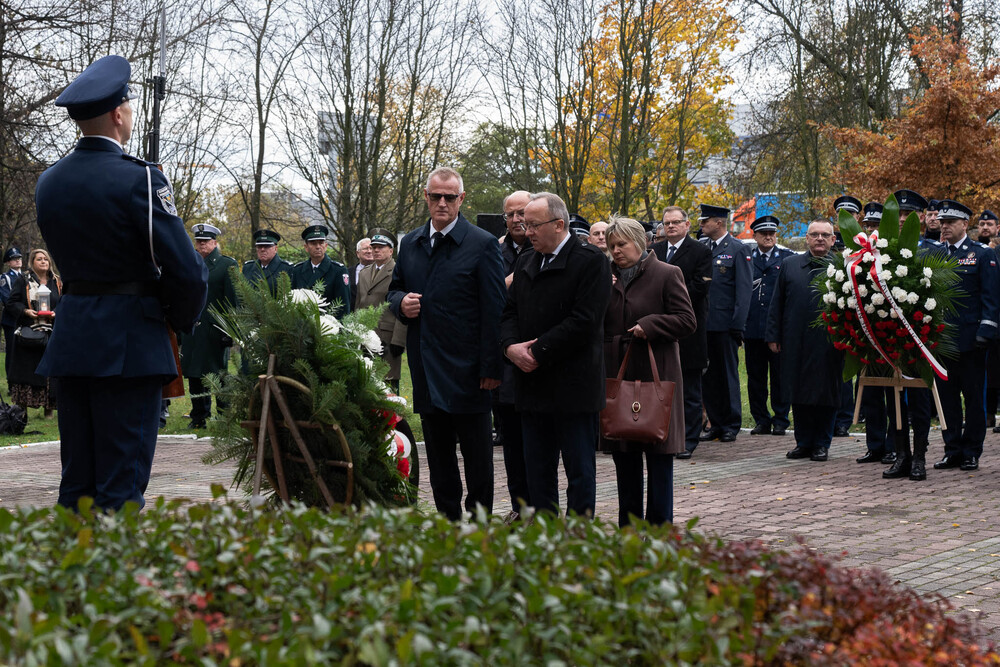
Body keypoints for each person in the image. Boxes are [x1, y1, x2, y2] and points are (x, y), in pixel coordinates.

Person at [34, 54, 208, 511]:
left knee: (77, 488)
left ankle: (72, 581)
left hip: (73, 342)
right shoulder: (141, 180)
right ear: (117, 113)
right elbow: (187, 271)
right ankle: (116, 582)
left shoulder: (48, 183)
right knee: (120, 489)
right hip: (130, 346)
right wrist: (173, 319)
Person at [387, 166, 505, 521]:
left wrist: (490, 367)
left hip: (470, 370)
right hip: (427, 367)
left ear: (461, 199)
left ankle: (480, 518)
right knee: (438, 452)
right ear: (425, 196)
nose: (442, 203)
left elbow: (495, 310)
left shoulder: (483, 244)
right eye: (435, 196)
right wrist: (400, 302)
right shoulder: (410, 243)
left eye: (449, 197)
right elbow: (395, 288)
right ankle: (448, 518)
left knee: (477, 454)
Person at [501, 192, 611, 518]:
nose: (527, 230)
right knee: (538, 470)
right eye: (523, 224)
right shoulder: (525, 261)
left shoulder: (591, 261)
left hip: (574, 386)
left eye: (533, 224)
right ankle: (544, 535)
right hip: (532, 385)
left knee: (579, 470)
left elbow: (585, 321)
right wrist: (510, 348)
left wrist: (536, 350)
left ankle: (578, 539)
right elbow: (508, 313)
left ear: (559, 224)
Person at [601, 217, 695, 526]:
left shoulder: (667, 273)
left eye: (622, 244)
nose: (616, 251)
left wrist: (651, 325)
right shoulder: (605, 277)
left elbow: (686, 320)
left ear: (640, 243)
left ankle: (658, 529)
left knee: (658, 458)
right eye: (612, 245)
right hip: (618, 374)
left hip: (657, 376)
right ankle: (629, 528)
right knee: (624, 455)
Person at [766, 220, 843, 462]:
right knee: (797, 392)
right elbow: (776, 303)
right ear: (806, 238)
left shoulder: (842, 267)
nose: (820, 238)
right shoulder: (790, 265)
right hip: (794, 339)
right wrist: (773, 336)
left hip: (829, 341)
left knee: (826, 393)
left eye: (825, 235)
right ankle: (803, 442)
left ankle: (822, 443)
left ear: (833, 240)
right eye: (814, 234)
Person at [932, 199, 1000, 474]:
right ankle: (952, 450)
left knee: (973, 398)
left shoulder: (982, 254)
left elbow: (991, 297)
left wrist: (986, 332)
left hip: (972, 340)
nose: (944, 226)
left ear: (964, 225)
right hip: (942, 341)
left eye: (950, 222)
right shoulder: (935, 254)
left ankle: (971, 451)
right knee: (947, 399)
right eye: (942, 222)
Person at [882, 189, 937, 480]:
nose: (902, 219)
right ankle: (901, 454)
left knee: (918, 400)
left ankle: (919, 458)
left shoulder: (932, 249)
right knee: (893, 399)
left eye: (909, 215)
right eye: (899, 214)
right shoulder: (883, 251)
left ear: (921, 218)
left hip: (922, 338)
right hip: (890, 337)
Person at [651, 206, 712, 458]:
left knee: (689, 389)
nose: (671, 226)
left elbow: (700, 287)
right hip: (659, 329)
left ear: (687, 225)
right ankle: (661, 435)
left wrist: (667, 296)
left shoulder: (701, 251)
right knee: (660, 387)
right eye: (667, 223)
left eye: (676, 222)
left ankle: (688, 439)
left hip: (688, 329)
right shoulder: (655, 252)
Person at [698, 203, 752, 443]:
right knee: (708, 376)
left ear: (718, 222)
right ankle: (716, 422)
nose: (701, 225)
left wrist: (737, 325)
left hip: (726, 324)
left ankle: (731, 423)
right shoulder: (702, 248)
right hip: (704, 323)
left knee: (727, 374)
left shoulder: (738, 249)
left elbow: (743, 291)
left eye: (704, 221)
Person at [494, 190, 533, 513]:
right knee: (511, 443)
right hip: (505, 359)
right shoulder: (494, 250)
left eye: (522, 212)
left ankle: (542, 507)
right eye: (510, 215)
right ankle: (520, 506)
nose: (517, 220)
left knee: (540, 442)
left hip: (538, 357)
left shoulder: (547, 247)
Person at [180, 224, 237, 429]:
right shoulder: (189, 264)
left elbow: (232, 302)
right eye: (198, 241)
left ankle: (224, 416)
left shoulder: (226, 265)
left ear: (215, 243)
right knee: (194, 374)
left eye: (206, 241)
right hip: (193, 330)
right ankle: (198, 417)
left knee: (217, 373)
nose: (202, 244)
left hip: (215, 330)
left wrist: (229, 331)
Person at [744, 215, 793, 436]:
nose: (768, 237)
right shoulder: (746, 258)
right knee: (756, 378)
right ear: (755, 236)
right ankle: (761, 419)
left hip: (778, 329)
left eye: (772, 233)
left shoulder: (786, 258)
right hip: (752, 327)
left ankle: (781, 419)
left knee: (780, 377)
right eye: (763, 233)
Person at [856, 202, 897, 465]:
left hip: (892, 333)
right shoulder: (855, 255)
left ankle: (894, 445)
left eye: (876, 226)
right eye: (868, 225)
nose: (872, 230)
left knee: (894, 394)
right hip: (866, 333)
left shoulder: (897, 254)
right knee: (871, 394)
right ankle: (875, 445)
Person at [4, 249, 61, 416]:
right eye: (39, 259)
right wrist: (25, 312)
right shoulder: (24, 280)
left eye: (46, 259)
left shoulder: (56, 281)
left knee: (49, 374)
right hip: (29, 333)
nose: (43, 262)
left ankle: (48, 411)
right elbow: (12, 303)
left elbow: (64, 302)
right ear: (32, 262)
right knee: (28, 373)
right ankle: (22, 411)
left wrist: (56, 312)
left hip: (51, 333)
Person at [355, 228, 406, 392]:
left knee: (388, 388)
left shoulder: (399, 272)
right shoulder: (364, 273)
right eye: (373, 246)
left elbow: (403, 308)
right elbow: (359, 305)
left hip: (387, 340)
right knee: (365, 386)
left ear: (391, 250)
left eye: (381, 247)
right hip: (365, 338)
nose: (375, 250)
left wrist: (399, 340)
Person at [290, 224, 351, 317]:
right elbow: (292, 301)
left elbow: (343, 306)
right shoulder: (297, 270)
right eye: (313, 243)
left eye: (321, 243)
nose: (318, 246)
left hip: (329, 326)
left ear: (325, 246)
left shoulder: (338, 270)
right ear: (306, 247)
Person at [242, 229, 292, 293]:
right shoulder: (248, 268)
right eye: (259, 246)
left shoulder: (286, 269)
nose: (262, 249)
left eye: (267, 246)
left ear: (275, 249)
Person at [0, 246, 23, 375]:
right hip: (11, 320)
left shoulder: (26, 276)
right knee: (12, 351)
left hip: (24, 319)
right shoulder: (5, 278)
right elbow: (7, 299)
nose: (18, 260)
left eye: (19, 258)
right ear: (8, 262)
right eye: (14, 259)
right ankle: (11, 382)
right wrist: (23, 310)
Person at [349, 237, 373, 310]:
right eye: (365, 248)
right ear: (357, 253)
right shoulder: (347, 273)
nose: (369, 251)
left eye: (371, 248)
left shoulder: (384, 272)